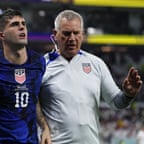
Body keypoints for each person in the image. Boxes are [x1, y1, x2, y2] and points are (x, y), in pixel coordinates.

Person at [39, 9, 143, 144]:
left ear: (82, 34)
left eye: (76, 33)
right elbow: (31, 107)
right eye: (66, 33)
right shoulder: (41, 66)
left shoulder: (96, 64)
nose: (72, 38)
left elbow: (117, 102)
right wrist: (43, 127)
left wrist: (128, 95)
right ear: (55, 34)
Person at [0, 9, 51, 144]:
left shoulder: (38, 62)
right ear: (1, 35)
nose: (22, 27)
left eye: (23, 23)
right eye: (14, 24)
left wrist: (45, 127)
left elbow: (33, 99)